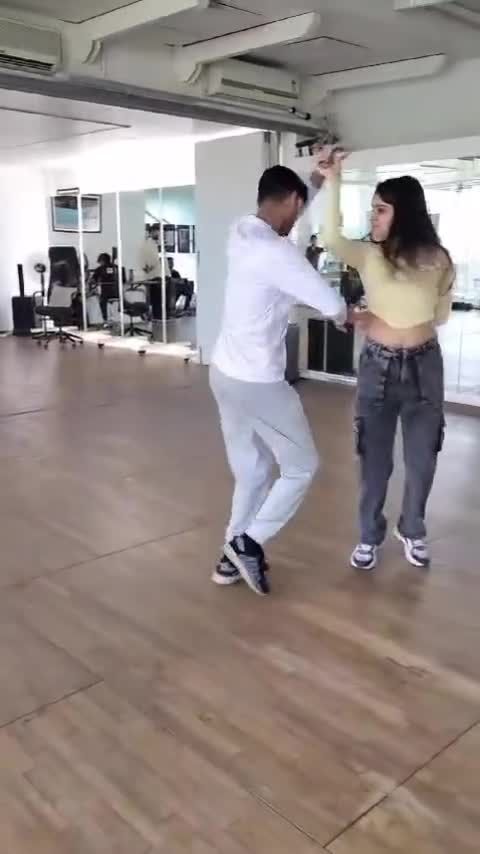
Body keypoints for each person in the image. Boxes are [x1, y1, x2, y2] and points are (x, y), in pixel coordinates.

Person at [210, 163, 346, 596]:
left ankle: (229, 558)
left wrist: (317, 180)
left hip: (224, 373)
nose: (297, 218)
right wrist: (347, 314)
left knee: (252, 472)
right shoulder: (278, 252)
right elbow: (331, 304)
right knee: (301, 465)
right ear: (292, 202)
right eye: (299, 208)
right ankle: (248, 543)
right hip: (258, 382)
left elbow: (290, 211)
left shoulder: (241, 231)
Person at [318, 148, 455, 571]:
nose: (373, 217)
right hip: (377, 366)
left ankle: (412, 529)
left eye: (380, 210)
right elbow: (330, 238)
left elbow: (439, 316)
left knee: (423, 459)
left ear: (404, 214)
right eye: (373, 209)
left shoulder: (439, 260)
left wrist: (391, 315)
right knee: (374, 460)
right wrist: (333, 180)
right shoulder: (368, 255)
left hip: (424, 367)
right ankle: (368, 535)